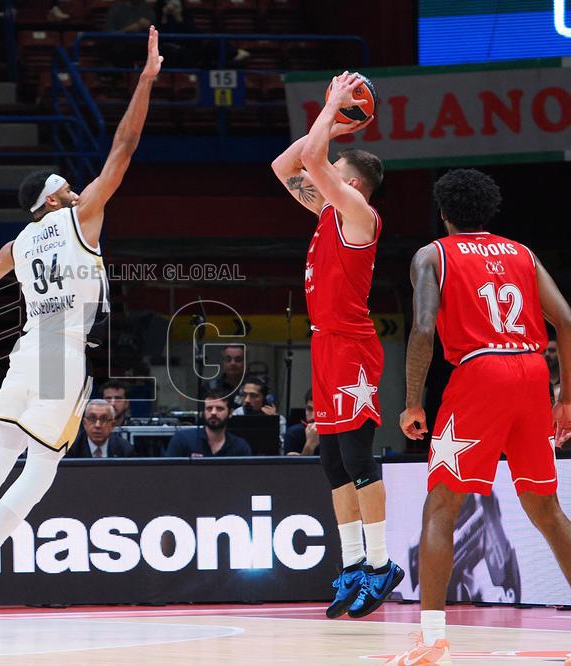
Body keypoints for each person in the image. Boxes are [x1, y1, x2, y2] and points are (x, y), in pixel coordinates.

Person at [0, 26, 162, 617]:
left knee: (2, 449)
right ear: (56, 197)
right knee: (44, 464)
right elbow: (125, 148)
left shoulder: (20, 241)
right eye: (68, 184)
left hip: (27, 350)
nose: (78, 185)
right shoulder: (81, 217)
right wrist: (146, 80)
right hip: (62, 353)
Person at [388, 169, 571, 665]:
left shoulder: (432, 254)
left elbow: (424, 328)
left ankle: (431, 638)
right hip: (533, 372)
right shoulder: (522, 253)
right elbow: (567, 320)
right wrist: (567, 397)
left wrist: (411, 401)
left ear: (443, 213)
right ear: (489, 210)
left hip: (479, 372)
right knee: (546, 509)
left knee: (442, 505)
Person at [270, 70, 402, 620]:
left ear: (353, 183)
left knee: (355, 454)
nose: (321, 173)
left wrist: (331, 108)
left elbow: (314, 164)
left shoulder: (357, 214)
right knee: (329, 460)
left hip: (350, 344)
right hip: (324, 346)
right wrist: (335, 121)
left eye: (334, 172)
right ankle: (352, 565)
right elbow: (285, 166)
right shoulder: (327, 208)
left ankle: (381, 564)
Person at [165, 390, 251, 457]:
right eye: (209, 408)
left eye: (219, 408)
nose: (213, 413)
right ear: (203, 412)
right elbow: (168, 474)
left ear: (230, 413)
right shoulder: (182, 439)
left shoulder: (240, 446)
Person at [67, 399, 133, 458]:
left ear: (112, 425)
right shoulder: (71, 449)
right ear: (84, 423)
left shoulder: (125, 449)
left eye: (104, 419)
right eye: (92, 418)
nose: (97, 425)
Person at [283, 389, 318, 455]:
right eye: (309, 409)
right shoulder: (294, 434)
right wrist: (309, 445)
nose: (313, 416)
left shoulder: (337, 435)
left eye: (319, 410)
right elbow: (297, 465)